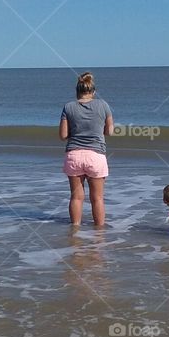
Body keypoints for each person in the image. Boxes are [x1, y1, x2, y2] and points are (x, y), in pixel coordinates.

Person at [59, 72, 114, 226]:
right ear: (93, 92)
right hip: (96, 155)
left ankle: (75, 231)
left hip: (74, 155)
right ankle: (99, 235)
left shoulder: (68, 107)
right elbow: (110, 131)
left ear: (77, 91)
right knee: (97, 198)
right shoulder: (103, 105)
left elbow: (63, 135)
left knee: (76, 197)